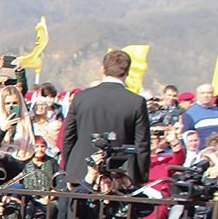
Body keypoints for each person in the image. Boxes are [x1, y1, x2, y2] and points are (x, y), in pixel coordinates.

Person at [61, 50, 151, 185]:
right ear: (127, 72)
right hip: (120, 173)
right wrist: (140, 177)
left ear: (103, 69)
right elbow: (142, 143)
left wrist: (69, 169)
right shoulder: (136, 102)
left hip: (81, 172)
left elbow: (68, 136)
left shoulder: (81, 98)